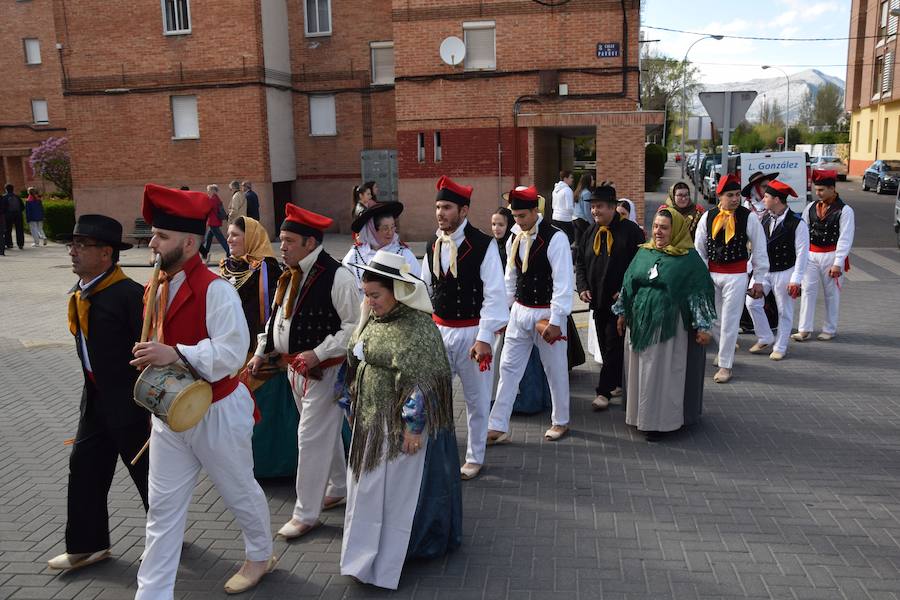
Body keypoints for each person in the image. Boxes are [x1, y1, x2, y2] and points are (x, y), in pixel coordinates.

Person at [132, 184, 274, 597]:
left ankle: (260, 556)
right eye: (154, 235)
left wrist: (172, 353)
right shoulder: (156, 286)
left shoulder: (218, 290)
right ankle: (152, 593)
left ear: (190, 243)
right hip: (171, 413)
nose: (153, 243)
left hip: (217, 409)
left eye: (162, 237)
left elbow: (232, 353)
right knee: (161, 510)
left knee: (239, 491)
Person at [341, 250, 462, 589]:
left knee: (393, 497)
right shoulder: (375, 319)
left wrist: (413, 428)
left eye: (375, 295)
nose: (370, 301)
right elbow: (355, 355)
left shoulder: (418, 328)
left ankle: (389, 557)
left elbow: (422, 381)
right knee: (366, 492)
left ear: (398, 291)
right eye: (366, 295)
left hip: (397, 430)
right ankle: (362, 557)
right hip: (370, 422)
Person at [247, 203, 359, 539]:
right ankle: (339, 485)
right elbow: (275, 319)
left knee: (309, 439)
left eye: (289, 241)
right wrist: (261, 351)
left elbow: (354, 327)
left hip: (325, 373)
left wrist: (318, 353)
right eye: (281, 240)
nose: (282, 246)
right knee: (324, 435)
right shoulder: (289, 272)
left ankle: (305, 514)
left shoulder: (338, 276)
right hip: (293, 370)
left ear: (310, 243)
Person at [46, 215, 149, 571]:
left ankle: (166, 539)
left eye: (80, 245)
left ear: (106, 253)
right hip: (95, 402)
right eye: (71, 245)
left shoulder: (129, 295)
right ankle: (88, 546)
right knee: (84, 468)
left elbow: (151, 353)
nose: (72, 251)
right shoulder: (81, 292)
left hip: (133, 405)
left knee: (148, 475)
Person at [421, 176, 508, 481]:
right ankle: (436, 453)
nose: (440, 213)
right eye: (437, 207)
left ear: (464, 210)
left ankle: (475, 457)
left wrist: (485, 338)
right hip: (439, 332)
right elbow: (425, 290)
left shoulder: (483, 245)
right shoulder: (433, 243)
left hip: (473, 334)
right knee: (433, 397)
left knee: (476, 400)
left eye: (446, 207)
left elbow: (495, 295)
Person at [613, 207, 716, 441]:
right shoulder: (645, 253)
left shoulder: (689, 259)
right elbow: (629, 284)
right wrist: (621, 313)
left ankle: (661, 422)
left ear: (676, 230)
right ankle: (641, 416)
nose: (658, 232)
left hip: (668, 326)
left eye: (664, 228)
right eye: (656, 226)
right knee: (641, 370)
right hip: (639, 321)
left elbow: (698, 292)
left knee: (661, 372)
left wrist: (702, 326)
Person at [487, 184, 574, 443]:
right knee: (508, 368)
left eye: (522, 216)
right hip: (520, 312)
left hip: (547, 312)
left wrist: (557, 320)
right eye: (515, 216)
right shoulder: (515, 237)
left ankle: (561, 420)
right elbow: (509, 278)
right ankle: (498, 423)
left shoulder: (555, 237)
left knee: (555, 369)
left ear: (536, 210)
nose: (518, 221)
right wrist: (504, 312)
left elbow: (563, 283)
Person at [219, 216, 298, 477]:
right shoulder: (227, 268)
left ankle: (272, 465)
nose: (229, 239)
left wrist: (266, 349)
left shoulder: (269, 270)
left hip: (260, 350)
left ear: (250, 238)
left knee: (266, 411)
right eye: (229, 235)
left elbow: (276, 312)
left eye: (235, 235)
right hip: (233, 350)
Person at [575, 185, 645, 411]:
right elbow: (581, 263)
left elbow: (639, 265)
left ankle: (603, 391)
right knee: (606, 346)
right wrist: (583, 286)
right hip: (598, 300)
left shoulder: (630, 231)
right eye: (593, 207)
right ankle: (616, 382)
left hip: (620, 303)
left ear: (613, 207)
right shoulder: (590, 231)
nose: (595, 211)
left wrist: (626, 290)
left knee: (614, 344)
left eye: (600, 207)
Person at [694, 174, 769, 384]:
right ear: (720, 195)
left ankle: (726, 365)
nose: (735, 199)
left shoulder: (749, 217)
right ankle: (724, 350)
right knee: (715, 318)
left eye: (737, 195)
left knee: (730, 321)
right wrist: (701, 275)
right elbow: (699, 249)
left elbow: (760, 250)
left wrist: (759, 279)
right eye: (730, 195)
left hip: (736, 274)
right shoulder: (707, 216)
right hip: (712, 274)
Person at [745, 180, 809, 361]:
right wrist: (750, 268)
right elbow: (757, 247)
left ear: (777, 199)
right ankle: (765, 336)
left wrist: (796, 279)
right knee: (751, 302)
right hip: (764, 271)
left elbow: (803, 253)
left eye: (766, 196)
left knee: (784, 311)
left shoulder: (797, 223)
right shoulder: (764, 217)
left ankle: (781, 346)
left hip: (785, 271)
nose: (763, 199)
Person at [793, 169, 855, 342]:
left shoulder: (845, 210)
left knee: (831, 294)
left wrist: (838, 262)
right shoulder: (810, 207)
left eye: (821, 190)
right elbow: (803, 232)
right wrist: (800, 255)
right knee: (807, 291)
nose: (817, 193)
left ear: (832, 189)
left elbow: (845, 237)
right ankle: (804, 329)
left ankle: (829, 328)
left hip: (832, 255)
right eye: (816, 189)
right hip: (811, 255)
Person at [342, 201, 420, 292]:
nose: (390, 232)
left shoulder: (404, 254)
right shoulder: (355, 255)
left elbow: (418, 285)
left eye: (392, 227)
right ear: (372, 231)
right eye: (385, 228)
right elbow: (345, 288)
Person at [200, 184, 229, 260]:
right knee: (209, 238)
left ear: (213, 190)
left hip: (213, 222)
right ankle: (205, 253)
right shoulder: (216, 198)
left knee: (221, 239)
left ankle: (229, 252)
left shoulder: (212, 199)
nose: (207, 191)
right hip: (215, 221)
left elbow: (207, 209)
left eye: (208, 190)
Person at [550, 170, 576, 245]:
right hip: (565, 219)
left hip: (555, 217)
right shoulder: (567, 190)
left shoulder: (555, 190)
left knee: (558, 239)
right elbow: (569, 207)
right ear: (565, 179)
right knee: (570, 239)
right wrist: (574, 216)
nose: (572, 179)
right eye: (571, 177)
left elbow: (553, 205)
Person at [572, 172, 595, 244]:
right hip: (582, 219)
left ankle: (576, 255)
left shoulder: (578, 191)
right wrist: (592, 223)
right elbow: (587, 210)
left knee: (578, 242)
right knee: (589, 240)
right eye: (592, 179)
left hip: (575, 218)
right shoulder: (587, 193)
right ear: (588, 181)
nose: (593, 181)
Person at [3, 183, 25, 250]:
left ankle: (9, 244)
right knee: (19, 230)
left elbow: (2, 207)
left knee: (8, 230)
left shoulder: (4, 197)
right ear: (13, 189)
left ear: (6, 189)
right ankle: (20, 244)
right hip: (18, 215)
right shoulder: (17, 197)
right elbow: (23, 207)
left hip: (8, 215)